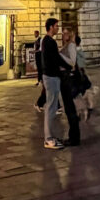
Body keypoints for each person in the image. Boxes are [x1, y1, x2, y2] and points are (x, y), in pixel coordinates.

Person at [41, 18, 67, 149]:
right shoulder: (49, 41)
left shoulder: (45, 40)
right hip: (51, 77)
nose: (58, 28)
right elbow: (56, 58)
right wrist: (68, 66)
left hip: (49, 75)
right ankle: (48, 139)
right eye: (57, 26)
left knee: (50, 106)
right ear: (51, 27)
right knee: (51, 107)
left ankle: (49, 136)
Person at [59, 26, 81, 146]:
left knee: (70, 108)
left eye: (66, 33)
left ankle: (74, 138)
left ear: (71, 34)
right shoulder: (66, 45)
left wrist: (59, 56)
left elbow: (72, 62)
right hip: (65, 78)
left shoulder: (71, 45)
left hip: (69, 79)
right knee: (68, 108)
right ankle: (73, 136)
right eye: (63, 33)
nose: (64, 35)